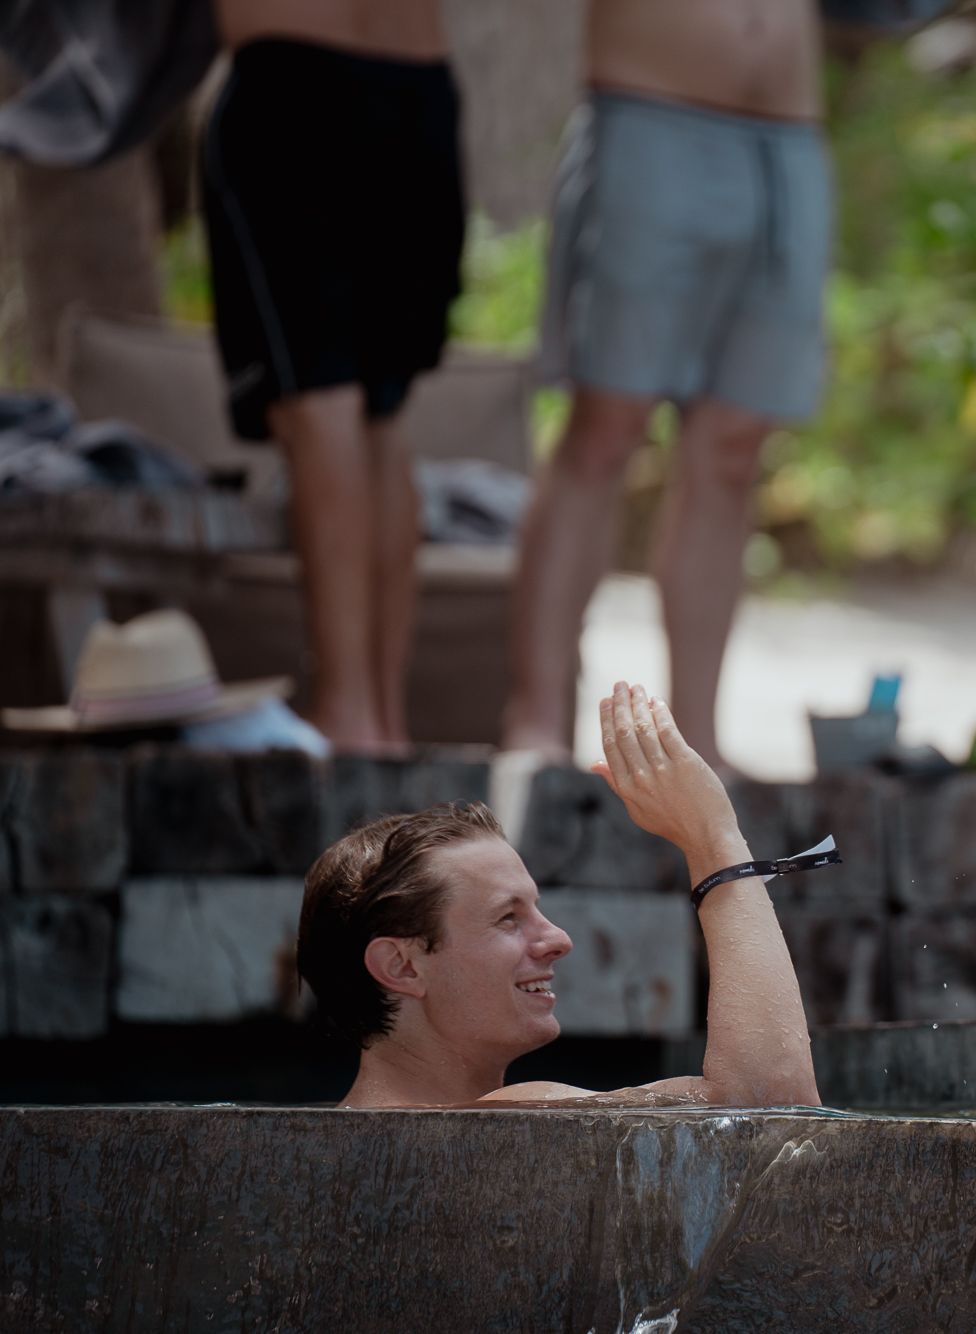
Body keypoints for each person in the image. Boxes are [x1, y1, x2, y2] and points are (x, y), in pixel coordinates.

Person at [502, 0, 833, 768]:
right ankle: (538, 718)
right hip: (649, 114)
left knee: (735, 449)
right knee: (606, 425)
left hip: (789, 135)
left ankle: (696, 741)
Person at [297, 682, 821, 1108]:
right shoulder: (505, 1121)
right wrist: (715, 840)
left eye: (537, 910)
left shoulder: (328, 1139)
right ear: (402, 966)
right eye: (508, 918)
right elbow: (772, 1105)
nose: (559, 940)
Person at [201, 0, 466, 755]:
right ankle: (381, 722)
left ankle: (348, 717)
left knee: (320, 410)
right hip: (420, 87)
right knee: (381, 416)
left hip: (295, 75)